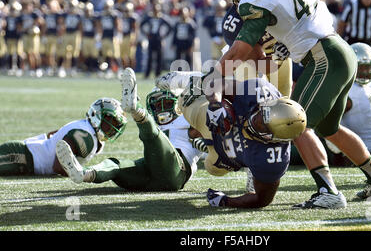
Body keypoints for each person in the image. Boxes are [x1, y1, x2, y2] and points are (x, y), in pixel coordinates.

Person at [204, 0, 371, 207]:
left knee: (295, 122)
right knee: (331, 129)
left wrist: (213, 81)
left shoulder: (257, 0)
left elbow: (238, 52)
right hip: (340, 50)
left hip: (323, 58)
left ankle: (329, 192)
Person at [157, 70, 307, 209]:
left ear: (274, 139)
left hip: (228, 153)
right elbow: (217, 84)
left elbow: (262, 200)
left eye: (264, 126)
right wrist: (215, 105)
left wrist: (226, 201)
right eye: (263, 112)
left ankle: (207, 142)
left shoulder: (274, 160)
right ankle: (193, 81)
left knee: (212, 168)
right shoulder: (258, 91)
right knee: (185, 102)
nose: (256, 120)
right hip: (222, 120)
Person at [57, 68, 206, 191]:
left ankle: (135, 109)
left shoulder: (189, 117)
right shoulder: (158, 124)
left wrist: (205, 142)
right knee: (117, 166)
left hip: (176, 171)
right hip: (151, 175)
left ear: (180, 103)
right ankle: (83, 174)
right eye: (156, 104)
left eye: (166, 103)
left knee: (153, 136)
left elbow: (208, 82)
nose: (161, 109)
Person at [0, 98, 127, 177]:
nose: (113, 128)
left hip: (26, 157)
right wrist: (83, 174)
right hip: (20, 157)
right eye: (112, 121)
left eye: (117, 124)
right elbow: (59, 167)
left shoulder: (87, 130)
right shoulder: (85, 135)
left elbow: (54, 134)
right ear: (97, 116)